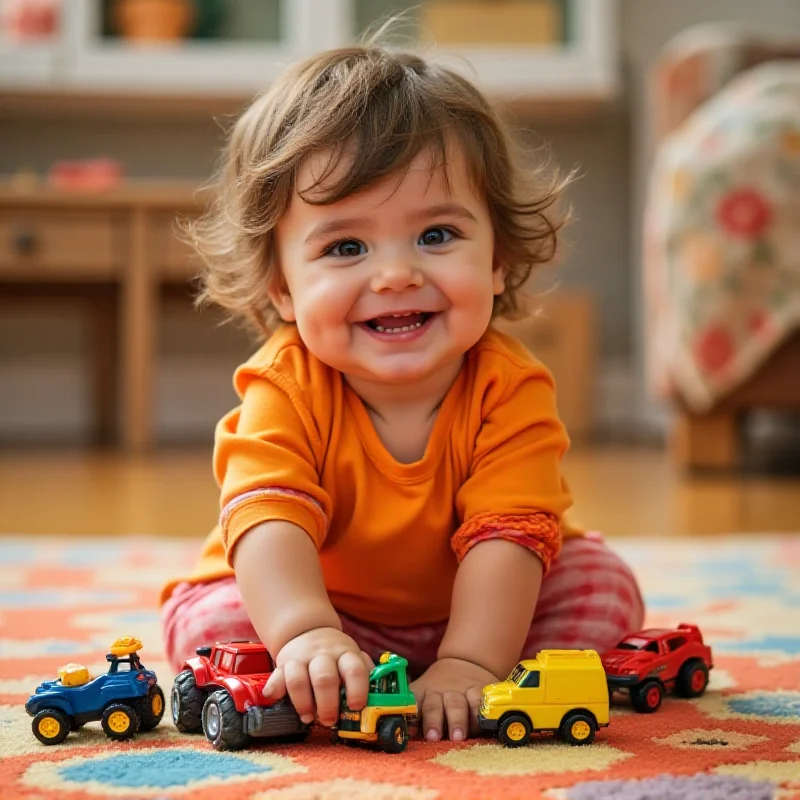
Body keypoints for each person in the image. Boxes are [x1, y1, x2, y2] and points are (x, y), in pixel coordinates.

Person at [160, 39, 644, 744]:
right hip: (320, 605)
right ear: (282, 288)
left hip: (481, 610)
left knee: (605, 583)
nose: (394, 276)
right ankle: (328, 671)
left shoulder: (511, 389)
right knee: (212, 628)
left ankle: (451, 672)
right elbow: (269, 521)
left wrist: (472, 661)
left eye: (437, 234)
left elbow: (508, 537)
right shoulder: (284, 385)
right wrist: (305, 633)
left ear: (500, 260)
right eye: (347, 248)